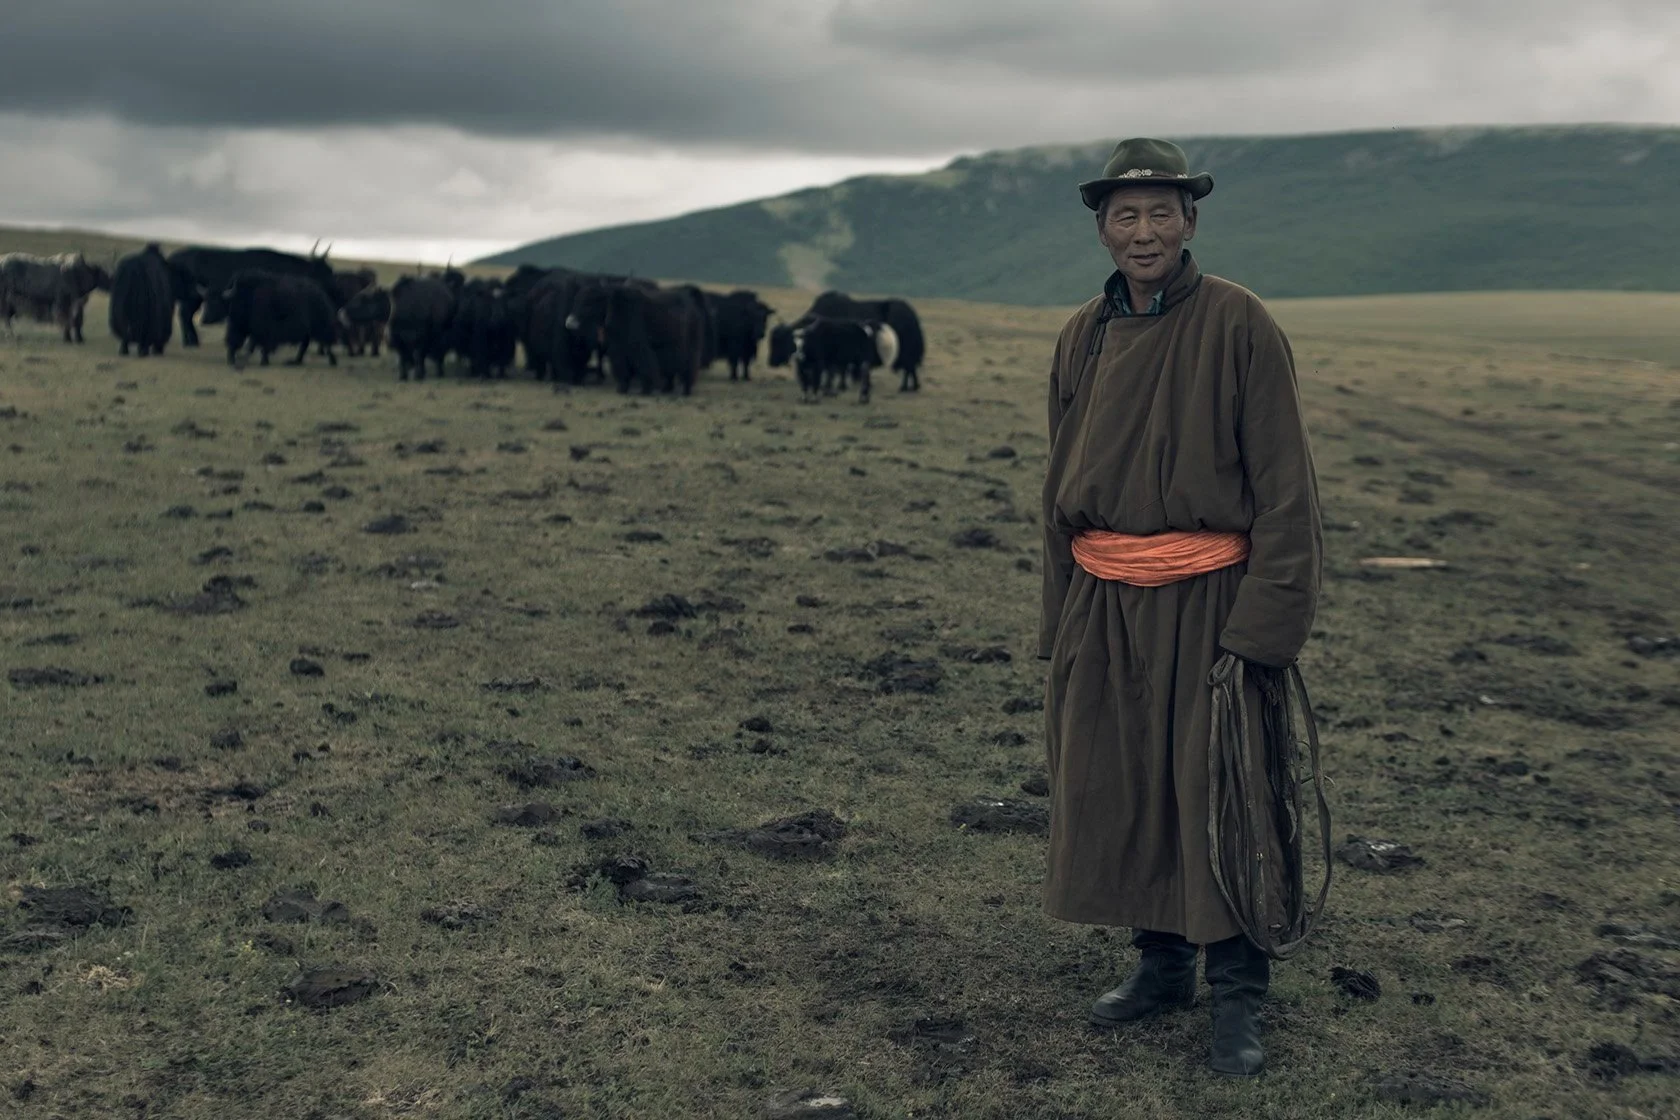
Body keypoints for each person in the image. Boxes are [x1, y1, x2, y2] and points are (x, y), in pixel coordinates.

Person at [1038, 137, 1328, 1077]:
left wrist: (1263, 634)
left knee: (1220, 790)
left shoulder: (1239, 322)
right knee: (1122, 782)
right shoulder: (1082, 333)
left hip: (1210, 601)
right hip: (1106, 600)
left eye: (1162, 212)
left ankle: (1239, 992)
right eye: (1125, 216)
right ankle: (1160, 966)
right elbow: (1058, 482)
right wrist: (1061, 617)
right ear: (1102, 229)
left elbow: (1288, 491)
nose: (1144, 231)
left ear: (1191, 220)